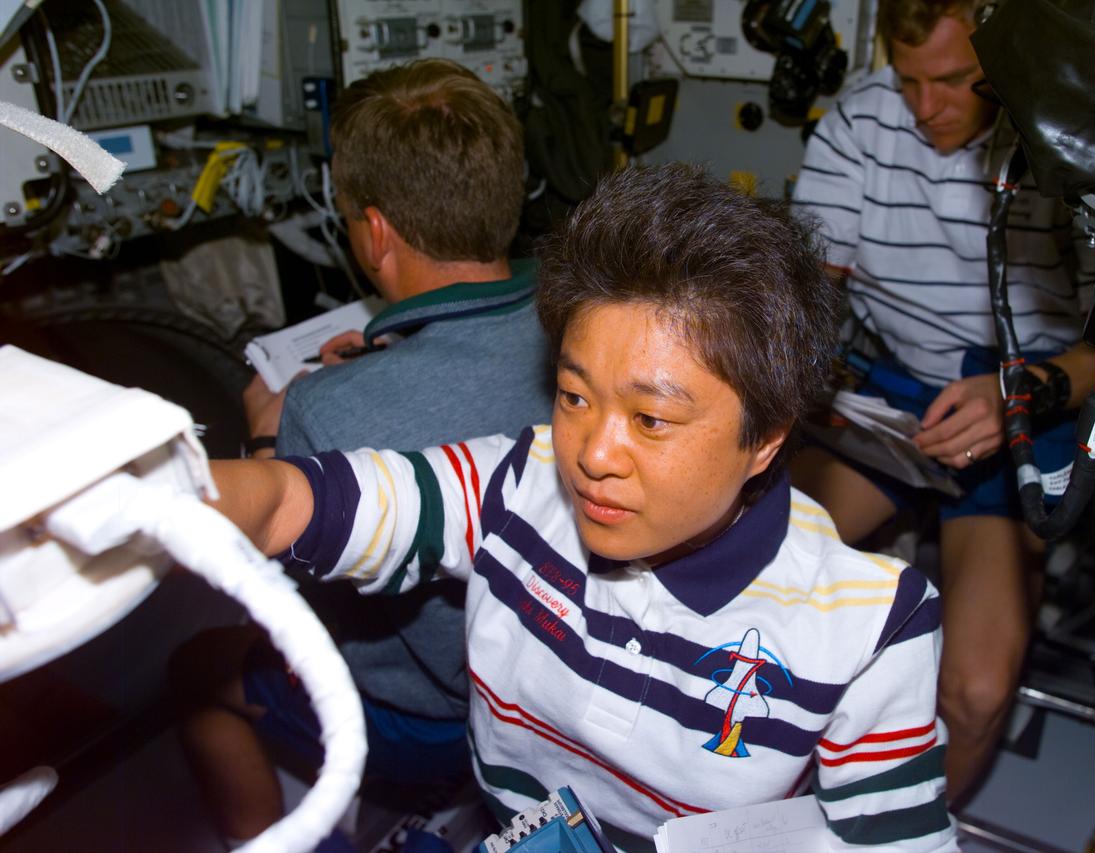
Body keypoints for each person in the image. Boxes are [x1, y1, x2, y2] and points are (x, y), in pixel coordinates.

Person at [207, 164, 958, 852]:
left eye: (651, 420)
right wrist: (153, 481)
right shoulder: (514, 480)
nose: (591, 454)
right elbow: (291, 502)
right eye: (574, 396)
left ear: (763, 438)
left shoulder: (871, 632)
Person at [171, 58, 552, 845]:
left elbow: (278, 585)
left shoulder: (324, 405)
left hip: (436, 720)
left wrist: (276, 438)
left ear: (375, 231)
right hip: (552, 694)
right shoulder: (581, 319)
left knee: (192, 673)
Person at [788, 0, 1095, 801]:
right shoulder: (864, 122)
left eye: (959, 81)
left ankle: (924, 825)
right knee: (750, 567)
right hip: (897, 394)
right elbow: (809, 295)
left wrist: (1020, 396)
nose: (928, 108)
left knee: (973, 693)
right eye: (910, 81)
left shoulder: (1072, 145)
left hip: (1025, 400)